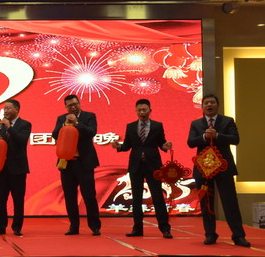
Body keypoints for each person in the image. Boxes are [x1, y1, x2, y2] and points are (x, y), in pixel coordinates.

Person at [187, 94, 250, 247]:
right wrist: (204, 136)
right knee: (207, 203)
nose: (209, 105)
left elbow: (235, 139)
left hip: (224, 168)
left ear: (217, 105)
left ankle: (238, 236)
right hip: (204, 169)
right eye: (206, 103)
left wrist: (217, 135)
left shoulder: (228, 121)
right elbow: (190, 142)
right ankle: (210, 234)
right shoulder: (196, 123)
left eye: (212, 102)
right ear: (202, 107)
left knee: (230, 203)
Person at [111, 99, 174, 238]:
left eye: (144, 110)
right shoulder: (131, 126)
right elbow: (127, 145)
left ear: (150, 110)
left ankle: (165, 228)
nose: (142, 112)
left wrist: (166, 145)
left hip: (153, 166)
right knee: (136, 199)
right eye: (139, 110)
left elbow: (161, 143)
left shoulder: (157, 126)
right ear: (136, 111)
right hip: (136, 166)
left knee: (158, 197)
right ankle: (137, 229)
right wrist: (118, 146)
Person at [52, 95, 102, 236]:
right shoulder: (61, 119)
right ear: (66, 107)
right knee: (70, 197)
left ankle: (95, 226)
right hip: (67, 163)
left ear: (79, 103)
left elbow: (92, 132)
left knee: (89, 195)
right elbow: (55, 135)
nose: (73, 107)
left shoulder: (89, 116)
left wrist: (76, 123)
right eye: (69, 105)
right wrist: (65, 124)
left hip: (84, 163)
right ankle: (74, 226)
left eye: (75, 104)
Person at [0, 99, 31, 237]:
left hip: (17, 169)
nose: (5, 111)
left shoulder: (25, 124)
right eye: (4, 108)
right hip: (1, 169)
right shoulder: (0, 126)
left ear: (16, 109)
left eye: (8, 108)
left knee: (18, 200)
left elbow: (21, 141)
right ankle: (0, 226)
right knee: (0, 199)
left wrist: (9, 127)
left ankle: (17, 227)